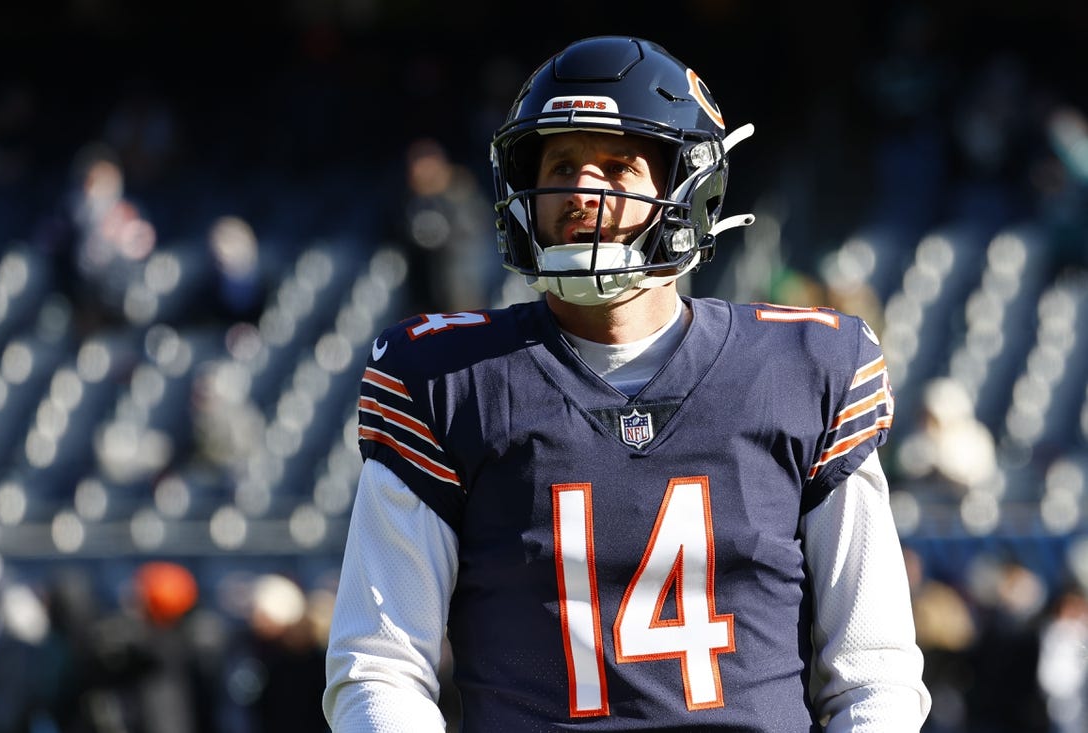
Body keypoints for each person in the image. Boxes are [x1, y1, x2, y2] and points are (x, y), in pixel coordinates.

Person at [325, 36, 931, 732]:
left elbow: (874, 671)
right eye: (560, 165)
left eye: (617, 167)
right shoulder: (447, 380)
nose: (583, 189)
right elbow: (380, 667)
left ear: (689, 185)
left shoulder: (804, 368)